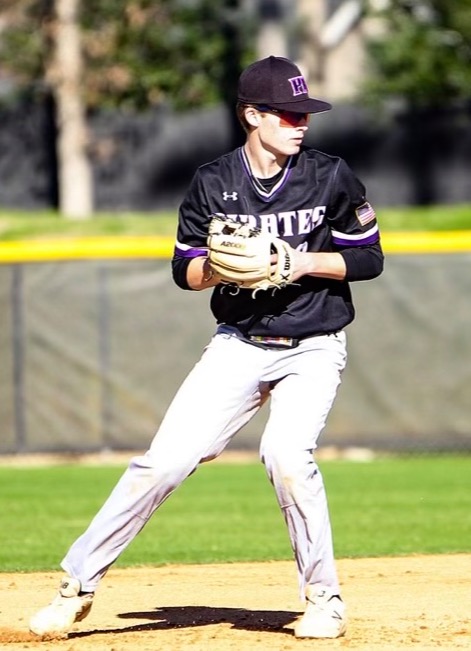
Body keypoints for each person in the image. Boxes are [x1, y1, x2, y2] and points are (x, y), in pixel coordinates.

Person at [29, 55, 384, 640]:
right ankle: (76, 587)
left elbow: (368, 259)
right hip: (239, 343)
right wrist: (222, 269)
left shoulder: (330, 175)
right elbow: (186, 271)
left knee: (287, 457)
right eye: (288, 113)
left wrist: (298, 262)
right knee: (162, 463)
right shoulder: (213, 182)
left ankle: (325, 600)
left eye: (305, 114)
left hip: (314, 345)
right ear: (253, 115)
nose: (301, 123)